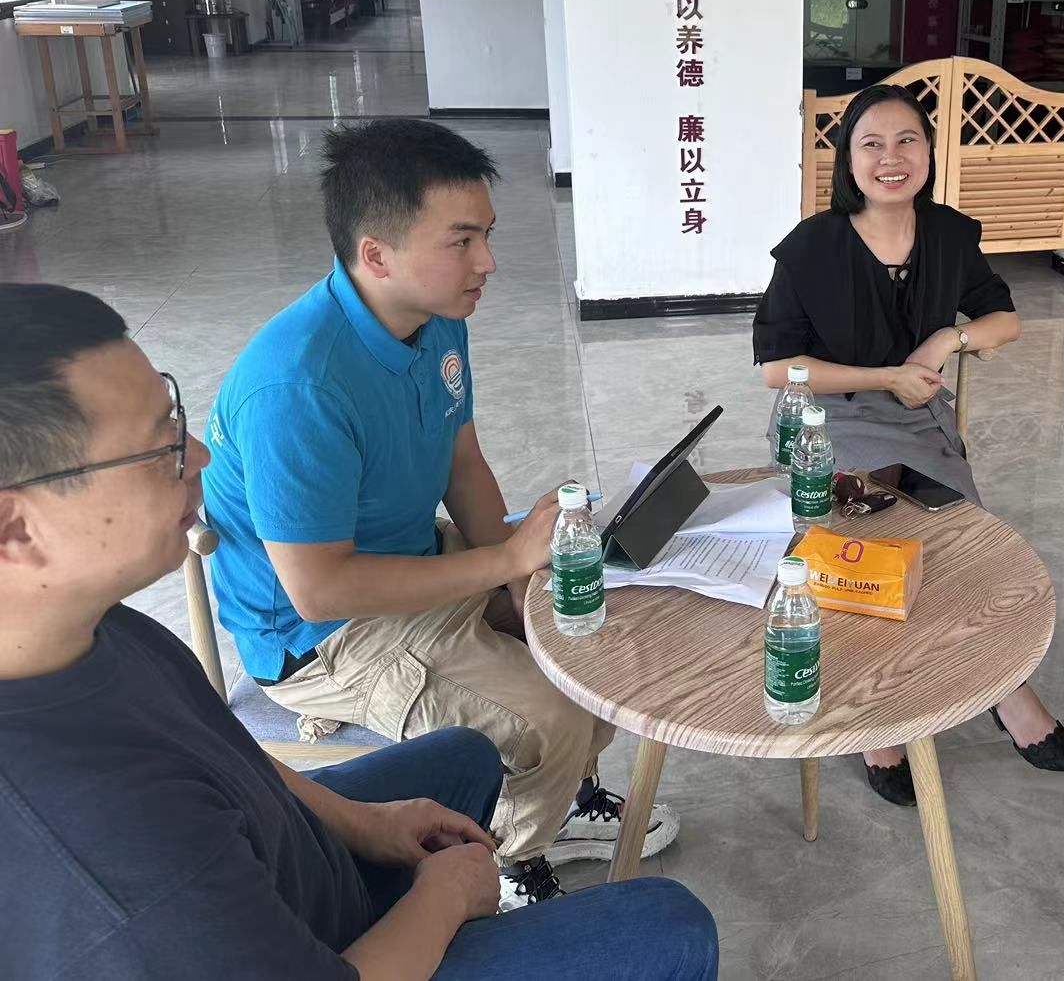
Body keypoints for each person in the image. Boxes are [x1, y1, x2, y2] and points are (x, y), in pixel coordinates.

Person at [0, 283, 719, 980]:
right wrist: (441, 900)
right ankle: (517, 871)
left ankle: (531, 830)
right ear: (15, 525)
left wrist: (365, 822)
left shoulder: (96, 629)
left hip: (292, 876)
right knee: (669, 924)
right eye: (158, 447)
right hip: (337, 950)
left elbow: (233, 758)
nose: (200, 454)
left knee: (468, 755)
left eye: (176, 420)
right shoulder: (103, 829)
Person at [200, 119, 678, 906]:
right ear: (376, 254)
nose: (487, 262)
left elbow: (462, 463)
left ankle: (558, 803)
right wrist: (504, 561)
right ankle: (508, 863)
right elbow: (320, 590)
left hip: (410, 559)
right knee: (551, 718)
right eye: (462, 241)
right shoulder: (298, 386)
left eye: (486, 235)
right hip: (323, 637)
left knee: (589, 632)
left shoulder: (435, 315)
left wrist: (523, 584)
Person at [753, 84, 1064, 806]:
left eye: (907, 140)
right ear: (848, 160)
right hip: (826, 417)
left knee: (960, 539)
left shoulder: (949, 233)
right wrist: (886, 376)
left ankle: (1003, 688)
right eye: (871, 144)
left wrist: (945, 339)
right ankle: (878, 717)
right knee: (868, 546)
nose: (891, 158)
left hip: (917, 415)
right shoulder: (813, 246)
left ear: (929, 151)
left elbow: (1003, 319)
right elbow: (779, 368)